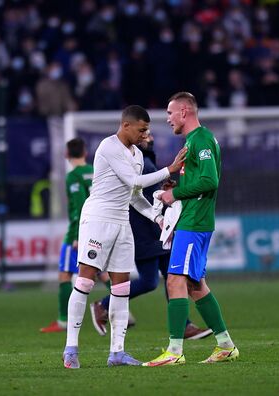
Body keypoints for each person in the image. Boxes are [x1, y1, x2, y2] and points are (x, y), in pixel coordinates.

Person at [63, 105, 187, 369]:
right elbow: (133, 181)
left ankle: (117, 353)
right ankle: (71, 348)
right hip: (98, 219)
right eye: (142, 130)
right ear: (126, 125)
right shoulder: (108, 147)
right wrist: (170, 169)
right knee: (85, 281)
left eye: (147, 131)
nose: (145, 135)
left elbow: (135, 197)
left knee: (122, 287)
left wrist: (157, 217)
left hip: (121, 221)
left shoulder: (138, 155)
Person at [143, 92, 239, 367]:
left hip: (194, 223)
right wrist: (177, 189)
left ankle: (174, 351)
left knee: (174, 281)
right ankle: (225, 345)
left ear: (184, 112)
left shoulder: (202, 140)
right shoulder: (194, 141)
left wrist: (176, 195)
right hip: (193, 219)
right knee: (196, 286)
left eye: (170, 113)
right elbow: (201, 180)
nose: (168, 119)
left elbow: (211, 180)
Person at [89, 133, 212, 340]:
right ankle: (103, 305)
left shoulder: (146, 160)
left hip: (158, 228)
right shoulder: (137, 162)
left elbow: (149, 191)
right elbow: (135, 191)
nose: (150, 136)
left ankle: (184, 325)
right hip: (142, 230)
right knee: (149, 281)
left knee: (174, 276)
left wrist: (164, 190)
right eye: (145, 132)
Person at [41, 137, 95, 333]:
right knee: (102, 271)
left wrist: (78, 235)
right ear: (85, 153)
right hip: (97, 228)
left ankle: (63, 321)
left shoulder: (73, 176)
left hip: (77, 231)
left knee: (65, 274)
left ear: (66, 154)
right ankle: (118, 310)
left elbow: (81, 206)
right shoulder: (94, 171)